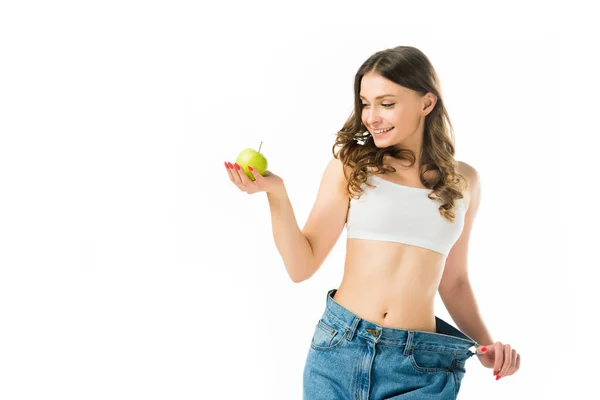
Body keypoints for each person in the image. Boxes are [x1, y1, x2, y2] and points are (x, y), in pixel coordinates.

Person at [224, 45, 520, 399]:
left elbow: (454, 282)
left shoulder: (464, 181)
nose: (371, 116)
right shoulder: (351, 167)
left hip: (420, 369)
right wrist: (276, 193)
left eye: (387, 103)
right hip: (340, 351)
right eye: (365, 103)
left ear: (427, 103)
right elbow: (301, 266)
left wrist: (488, 347)